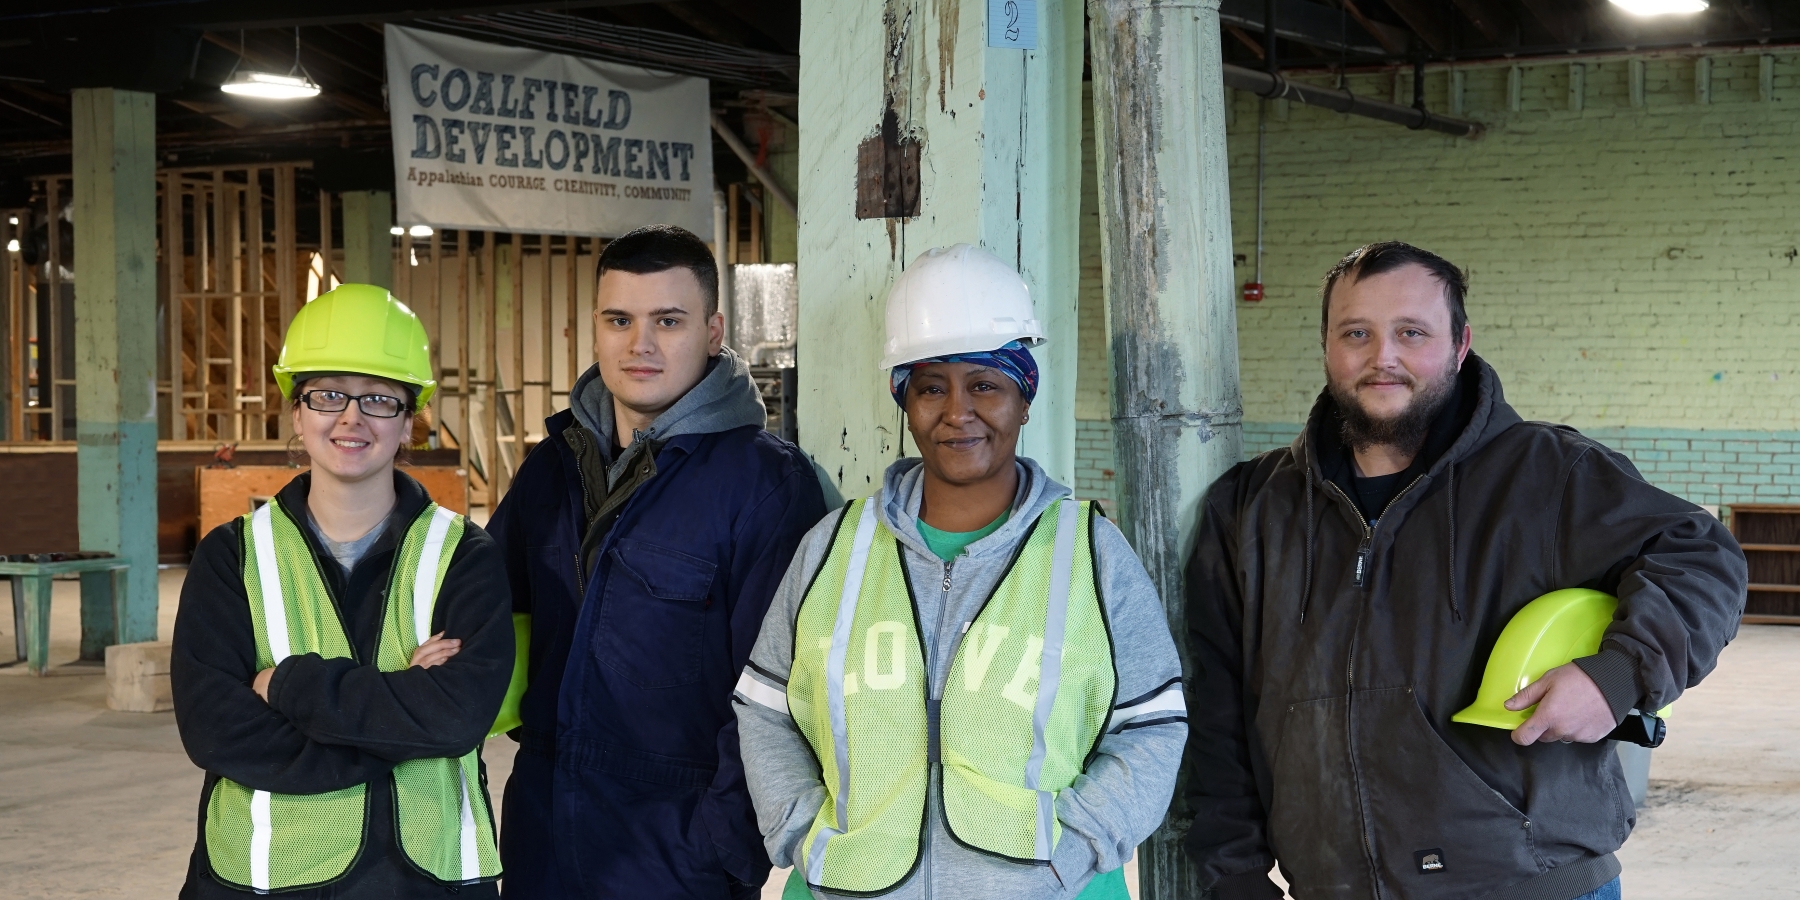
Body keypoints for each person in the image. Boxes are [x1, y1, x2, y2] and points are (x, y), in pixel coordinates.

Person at [1183, 241, 1747, 900]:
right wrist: (1238, 879)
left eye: (1411, 333)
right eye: (1355, 333)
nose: (1381, 357)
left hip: (1532, 885)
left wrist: (1616, 677)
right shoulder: (1252, 507)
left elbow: (1702, 557)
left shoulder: (1545, 472)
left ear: (1460, 345)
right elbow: (1215, 713)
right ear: (1327, 346)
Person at [736, 244, 1187, 900]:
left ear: (1023, 399)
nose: (957, 411)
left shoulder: (1090, 551)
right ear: (906, 400)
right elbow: (765, 707)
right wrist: (802, 835)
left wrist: (1079, 845)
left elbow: (1152, 723)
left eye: (984, 384)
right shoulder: (834, 549)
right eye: (930, 387)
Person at [489, 224, 826, 898]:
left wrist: (722, 844)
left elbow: (785, 685)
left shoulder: (766, 486)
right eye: (620, 319)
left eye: (668, 320)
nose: (640, 344)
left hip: (677, 853)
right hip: (542, 831)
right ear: (595, 328)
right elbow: (492, 605)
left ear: (712, 330)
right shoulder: (553, 466)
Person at [171, 284, 514, 898]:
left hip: (427, 883)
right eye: (328, 395)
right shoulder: (232, 557)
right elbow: (216, 730)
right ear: (296, 412)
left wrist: (284, 684)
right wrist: (399, 726)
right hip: (265, 883)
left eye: (379, 399)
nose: (351, 418)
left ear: (409, 421)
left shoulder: (463, 556)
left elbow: (457, 719)